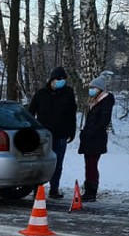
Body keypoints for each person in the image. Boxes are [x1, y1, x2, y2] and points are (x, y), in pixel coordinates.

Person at [27, 66, 77, 198]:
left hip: (61, 134)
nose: (61, 81)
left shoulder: (68, 93)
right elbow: (30, 113)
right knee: (40, 163)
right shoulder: (41, 94)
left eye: (63, 79)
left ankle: (54, 189)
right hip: (43, 136)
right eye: (58, 79)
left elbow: (72, 114)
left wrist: (72, 131)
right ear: (52, 80)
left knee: (57, 164)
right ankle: (37, 189)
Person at [77, 73, 114, 202]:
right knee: (89, 165)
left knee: (91, 165)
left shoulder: (105, 102)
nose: (91, 90)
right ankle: (89, 189)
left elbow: (103, 121)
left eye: (93, 87)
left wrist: (91, 132)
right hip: (90, 138)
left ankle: (91, 191)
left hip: (95, 139)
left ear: (99, 89)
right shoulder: (95, 102)